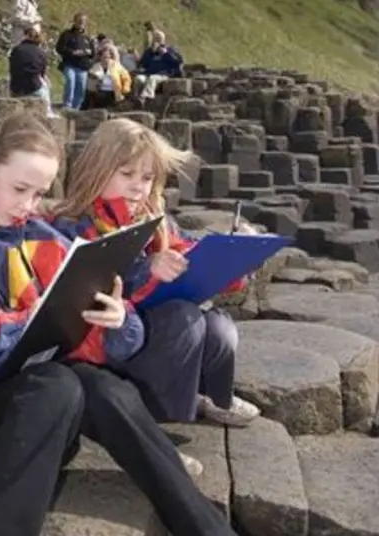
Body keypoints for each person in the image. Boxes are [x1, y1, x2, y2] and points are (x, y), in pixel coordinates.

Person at [0, 109, 238, 536]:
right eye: (20, 189)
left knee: (108, 389)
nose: (29, 206)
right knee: (60, 383)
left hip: (52, 397)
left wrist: (119, 321)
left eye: (39, 194)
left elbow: (114, 343)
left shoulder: (44, 237)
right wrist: (25, 325)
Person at [50, 118, 261, 462]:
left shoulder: (154, 219)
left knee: (219, 327)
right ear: (96, 170)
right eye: (127, 174)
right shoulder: (72, 227)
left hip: (148, 334)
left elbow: (189, 252)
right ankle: (149, 431)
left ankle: (212, 397)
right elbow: (89, 292)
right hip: (105, 346)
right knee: (183, 319)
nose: (138, 187)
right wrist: (147, 269)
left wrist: (235, 258)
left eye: (147, 178)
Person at [9, 26, 57, 117]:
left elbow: (12, 68)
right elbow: (42, 73)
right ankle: (48, 112)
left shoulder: (16, 50)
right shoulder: (40, 52)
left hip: (16, 88)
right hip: (33, 87)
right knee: (45, 84)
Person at [55, 12, 98, 109]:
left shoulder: (88, 37)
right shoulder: (67, 34)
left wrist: (88, 52)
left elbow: (93, 53)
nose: (81, 23)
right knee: (70, 82)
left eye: (83, 21)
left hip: (82, 66)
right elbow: (59, 48)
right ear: (74, 21)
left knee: (81, 87)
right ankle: (67, 105)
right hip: (69, 64)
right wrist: (73, 52)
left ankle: (76, 107)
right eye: (79, 21)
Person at [134, 30, 184, 104]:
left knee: (152, 78)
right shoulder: (149, 51)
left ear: (163, 39)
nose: (157, 41)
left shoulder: (170, 49)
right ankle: (136, 97)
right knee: (139, 79)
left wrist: (166, 54)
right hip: (148, 73)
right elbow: (143, 63)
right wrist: (150, 53)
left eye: (159, 39)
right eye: (155, 39)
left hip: (163, 74)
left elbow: (177, 62)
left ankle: (145, 97)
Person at [86, 44, 132, 109]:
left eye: (108, 57)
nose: (106, 59)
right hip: (99, 91)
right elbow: (90, 76)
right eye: (104, 57)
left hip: (113, 92)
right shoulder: (96, 66)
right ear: (100, 57)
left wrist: (125, 89)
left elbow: (127, 78)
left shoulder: (116, 65)